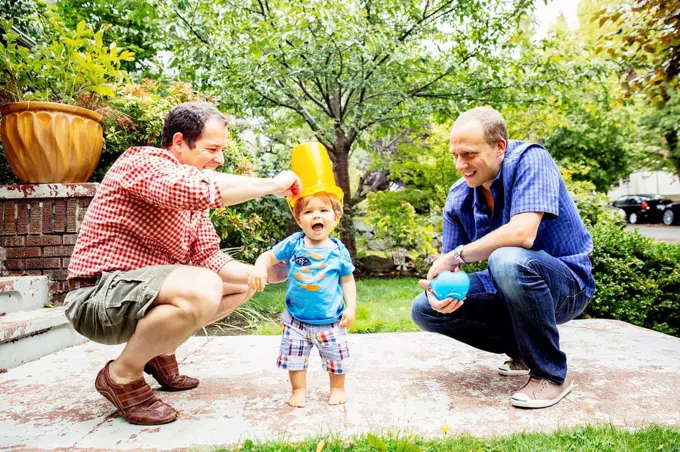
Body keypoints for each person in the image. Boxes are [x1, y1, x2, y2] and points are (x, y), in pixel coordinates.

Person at [65, 102, 301, 425]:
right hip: (97, 296)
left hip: (136, 295)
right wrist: (273, 185)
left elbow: (210, 257)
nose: (219, 159)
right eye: (212, 148)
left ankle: (156, 352)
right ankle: (121, 375)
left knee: (243, 284)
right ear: (179, 142)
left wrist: (269, 272)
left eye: (222, 150)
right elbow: (192, 190)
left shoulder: (194, 207)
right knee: (202, 288)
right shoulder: (142, 162)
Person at [411, 106, 595, 409]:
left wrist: (457, 254)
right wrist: (440, 292)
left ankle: (550, 375)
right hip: (508, 283)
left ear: (500, 146)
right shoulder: (459, 196)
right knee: (423, 309)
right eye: (455, 155)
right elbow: (450, 268)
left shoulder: (531, 160)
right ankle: (522, 350)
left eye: (469, 154)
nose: (460, 164)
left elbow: (523, 234)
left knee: (506, 259)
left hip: (567, 286)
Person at [248, 152, 356, 408]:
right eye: (308, 211)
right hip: (296, 320)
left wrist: (351, 308)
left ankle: (337, 388)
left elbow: (348, 282)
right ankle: (298, 390)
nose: (316, 215)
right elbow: (268, 256)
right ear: (299, 219)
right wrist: (259, 267)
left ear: (335, 216)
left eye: (323, 210)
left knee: (336, 359)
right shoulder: (294, 244)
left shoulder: (338, 250)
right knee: (294, 358)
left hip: (331, 320)